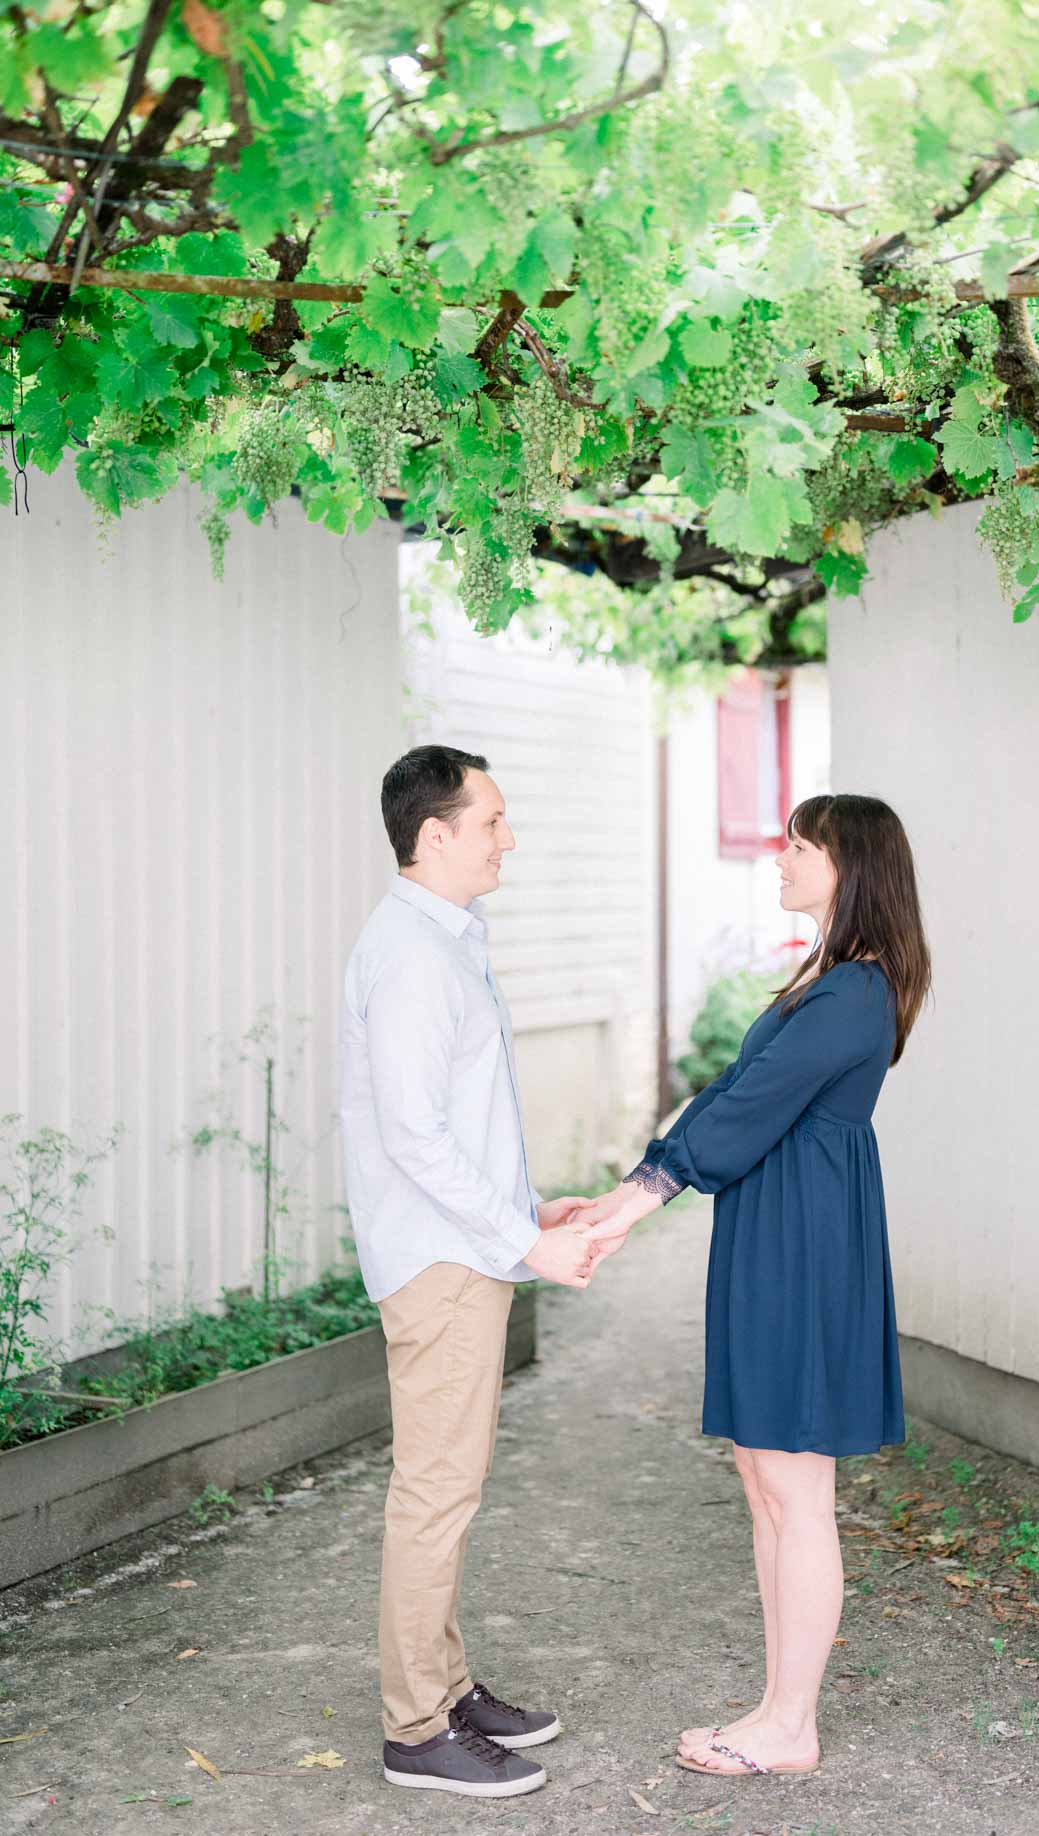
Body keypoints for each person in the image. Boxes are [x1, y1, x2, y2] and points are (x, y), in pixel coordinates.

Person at [569, 793, 931, 1780]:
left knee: (793, 1487)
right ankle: (777, 1705)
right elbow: (728, 1098)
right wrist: (627, 1183)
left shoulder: (856, 990)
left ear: (848, 865)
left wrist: (635, 1205)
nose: (780, 857)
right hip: (779, 1229)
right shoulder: (826, 976)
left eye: (800, 846)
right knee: (762, 1477)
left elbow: (752, 1107)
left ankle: (791, 1726)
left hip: (805, 1245)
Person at [339, 744, 598, 1799]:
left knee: (452, 1483)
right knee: (436, 1491)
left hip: (464, 1241)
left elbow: (452, 1122)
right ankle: (415, 1731)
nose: (507, 838)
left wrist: (524, 1211)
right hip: (441, 1258)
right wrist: (522, 1239)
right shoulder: (410, 952)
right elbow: (412, 1132)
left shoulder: (440, 938)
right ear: (433, 833)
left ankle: (445, 1688)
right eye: (490, 820)